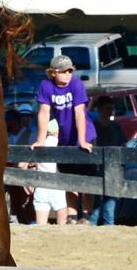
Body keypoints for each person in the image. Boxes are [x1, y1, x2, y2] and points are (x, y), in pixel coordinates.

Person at [32, 54, 95, 222]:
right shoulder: (46, 86)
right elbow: (44, 112)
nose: (68, 74)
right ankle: (73, 217)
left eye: (70, 71)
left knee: (88, 179)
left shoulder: (76, 84)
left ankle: (87, 216)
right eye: (64, 71)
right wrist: (41, 140)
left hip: (86, 135)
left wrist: (82, 140)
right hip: (65, 138)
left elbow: (79, 112)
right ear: (53, 73)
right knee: (69, 180)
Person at [89, 94, 127, 227]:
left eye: (112, 108)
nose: (110, 111)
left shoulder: (116, 127)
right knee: (94, 208)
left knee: (110, 208)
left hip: (113, 171)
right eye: (107, 108)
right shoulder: (93, 128)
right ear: (99, 109)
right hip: (97, 170)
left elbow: (123, 147)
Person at [28, 119, 69, 226]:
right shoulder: (60, 145)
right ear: (57, 132)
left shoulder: (39, 145)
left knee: (41, 225)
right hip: (57, 186)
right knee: (62, 220)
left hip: (41, 186)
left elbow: (28, 163)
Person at [5, 108, 35, 223]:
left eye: (7, 121)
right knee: (14, 201)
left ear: (14, 121)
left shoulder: (30, 134)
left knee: (26, 202)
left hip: (25, 174)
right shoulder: (8, 136)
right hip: (10, 173)